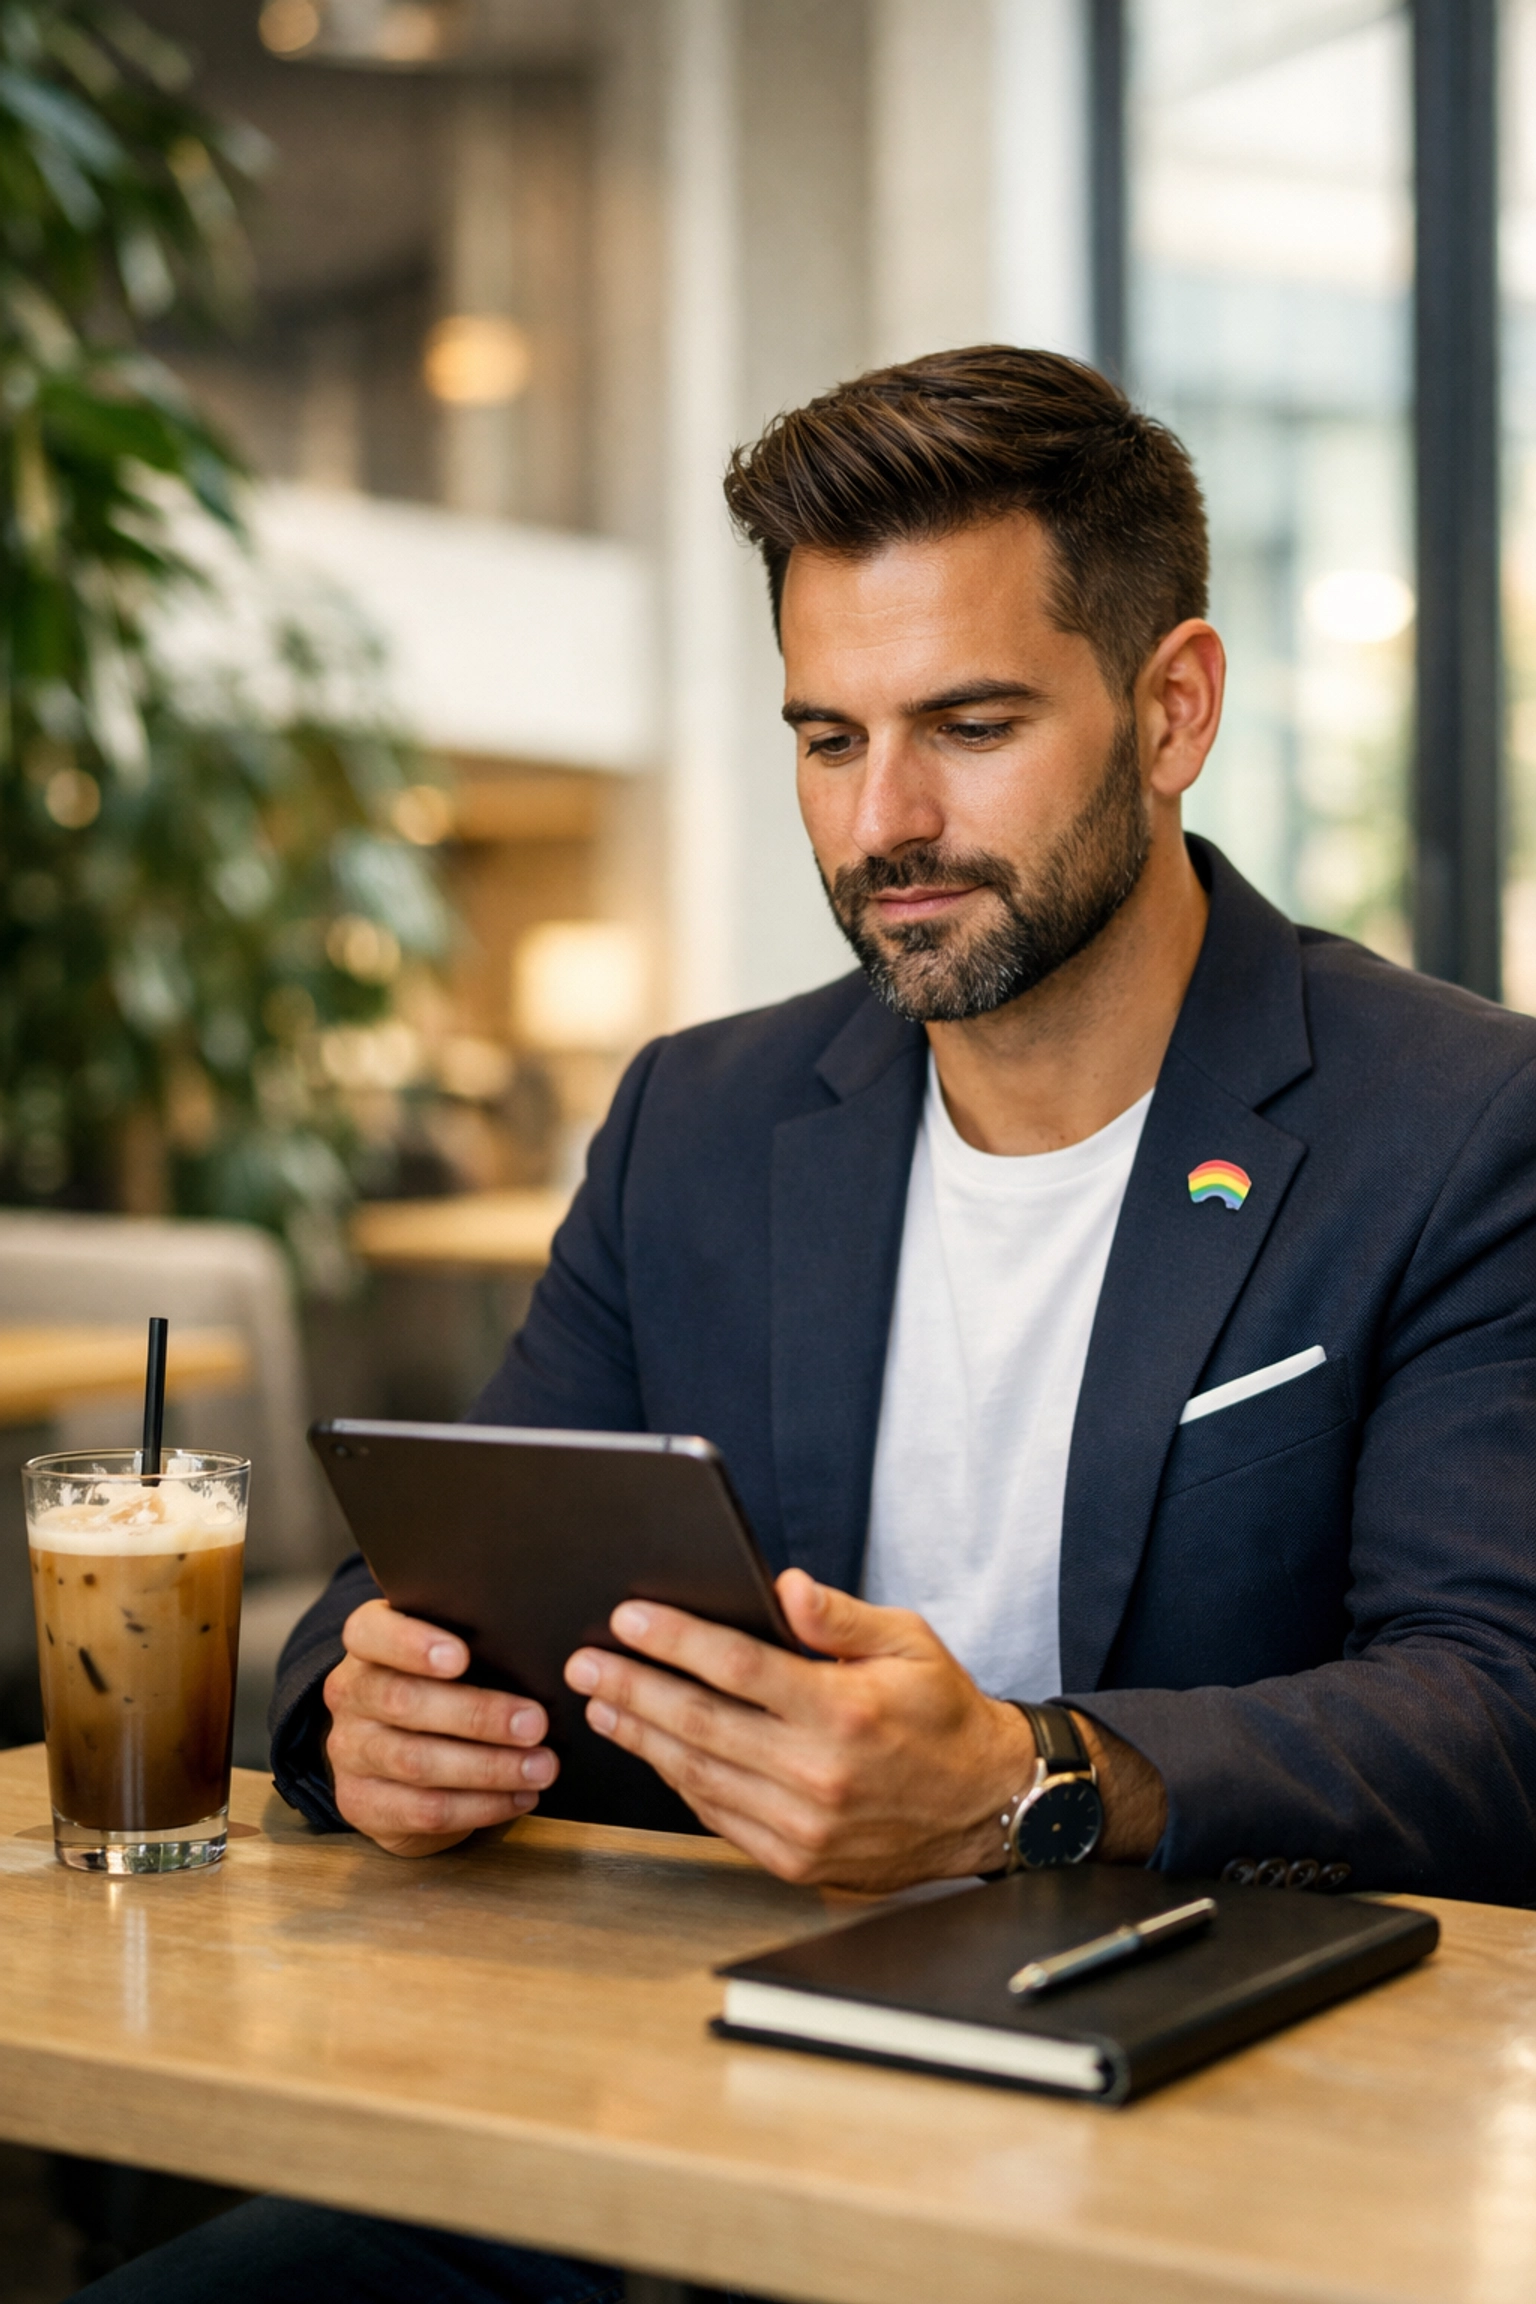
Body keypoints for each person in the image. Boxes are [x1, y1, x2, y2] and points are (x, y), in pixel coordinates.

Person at [77, 348, 1536, 2301]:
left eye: (971, 724)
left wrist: (1031, 1777)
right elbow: (424, 1576)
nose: (887, 822)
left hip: (1206, 2131)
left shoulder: (1449, 1124)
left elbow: (1491, 1711)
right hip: (677, 2102)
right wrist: (375, 1710)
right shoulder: (702, 1120)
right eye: (828, 739)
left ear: (1173, 706)